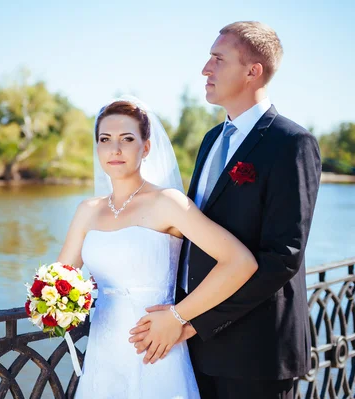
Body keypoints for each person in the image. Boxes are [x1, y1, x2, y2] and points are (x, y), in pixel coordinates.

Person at [129, 21, 322, 399]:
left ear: (253, 71)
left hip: (256, 350)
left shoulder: (292, 143)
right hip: (197, 344)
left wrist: (190, 320)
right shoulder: (212, 139)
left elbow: (283, 258)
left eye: (218, 59)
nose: (205, 69)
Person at [57, 96, 258, 398]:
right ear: (97, 147)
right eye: (105, 139)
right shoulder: (87, 210)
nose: (115, 149)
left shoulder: (168, 203)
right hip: (103, 350)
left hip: (156, 344)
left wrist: (178, 316)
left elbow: (240, 262)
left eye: (127, 139)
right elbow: (60, 279)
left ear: (146, 147)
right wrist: (49, 304)